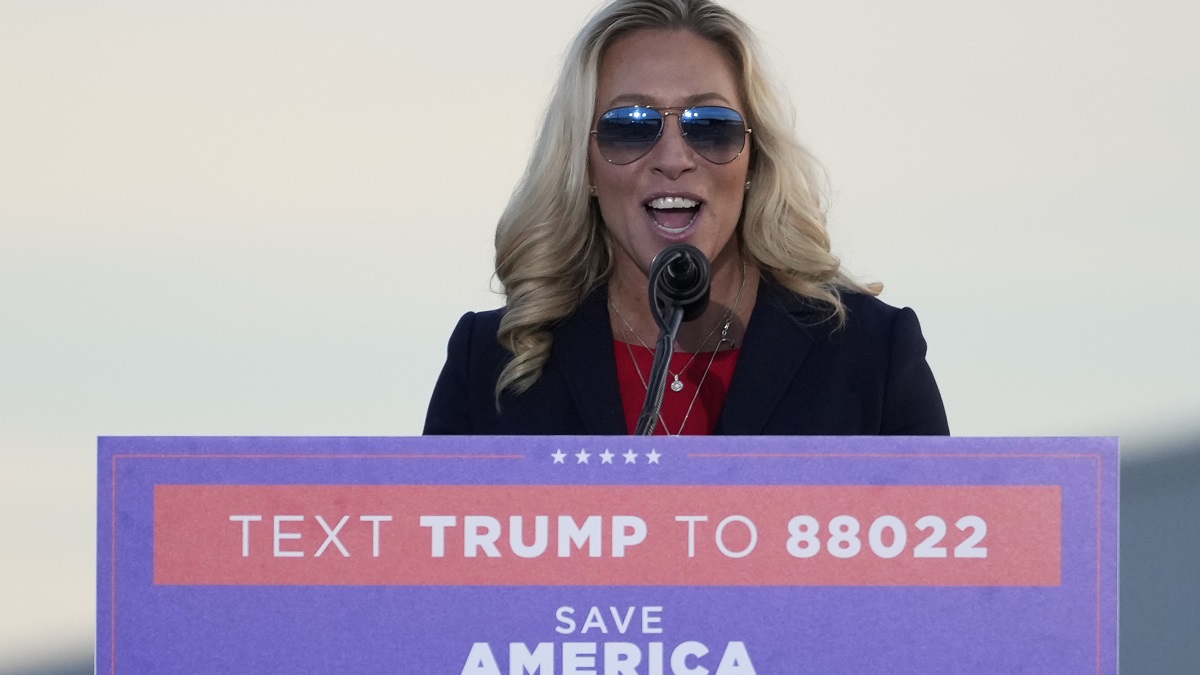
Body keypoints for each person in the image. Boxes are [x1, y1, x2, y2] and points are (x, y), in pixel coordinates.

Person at [424, 0, 948, 436]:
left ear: (753, 158)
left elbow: (942, 552)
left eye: (711, 125)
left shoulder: (872, 354)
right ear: (581, 167)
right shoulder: (489, 365)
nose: (673, 158)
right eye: (629, 126)